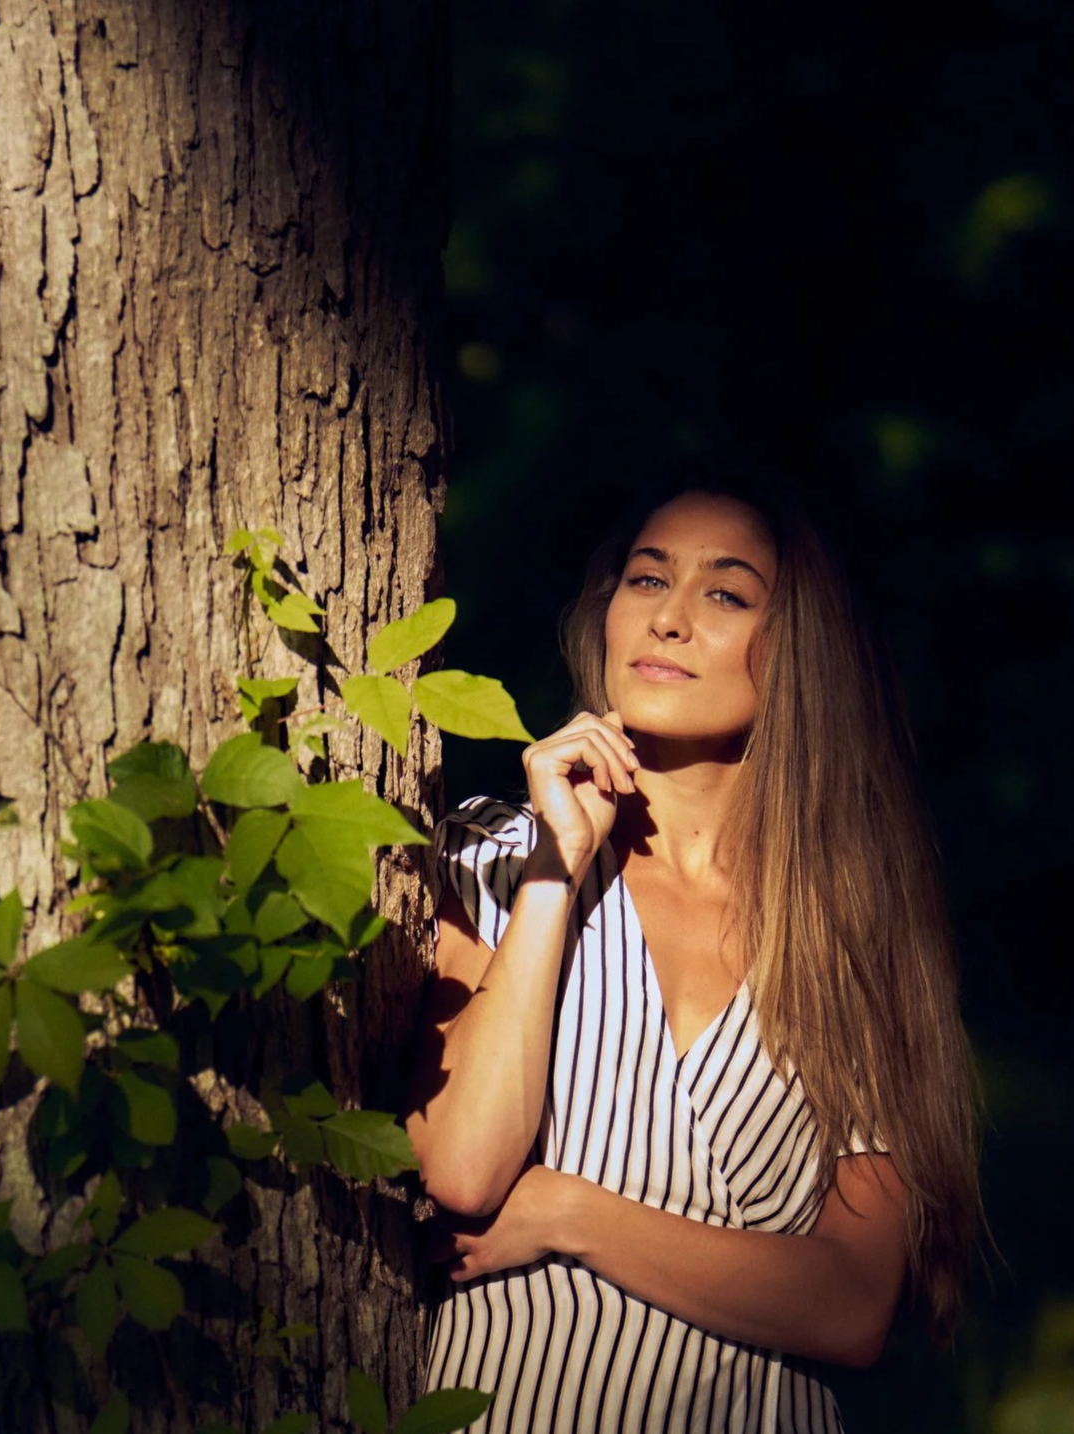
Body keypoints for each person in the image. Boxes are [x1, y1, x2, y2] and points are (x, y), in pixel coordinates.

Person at [404, 465, 983, 1432]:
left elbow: (850, 1303)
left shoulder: (845, 935)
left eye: (725, 592)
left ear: (796, 649)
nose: (669, 618)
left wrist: (568, 1216)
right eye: (646, 578)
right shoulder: (483, 860)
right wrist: (557, 866)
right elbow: (461, 1172)